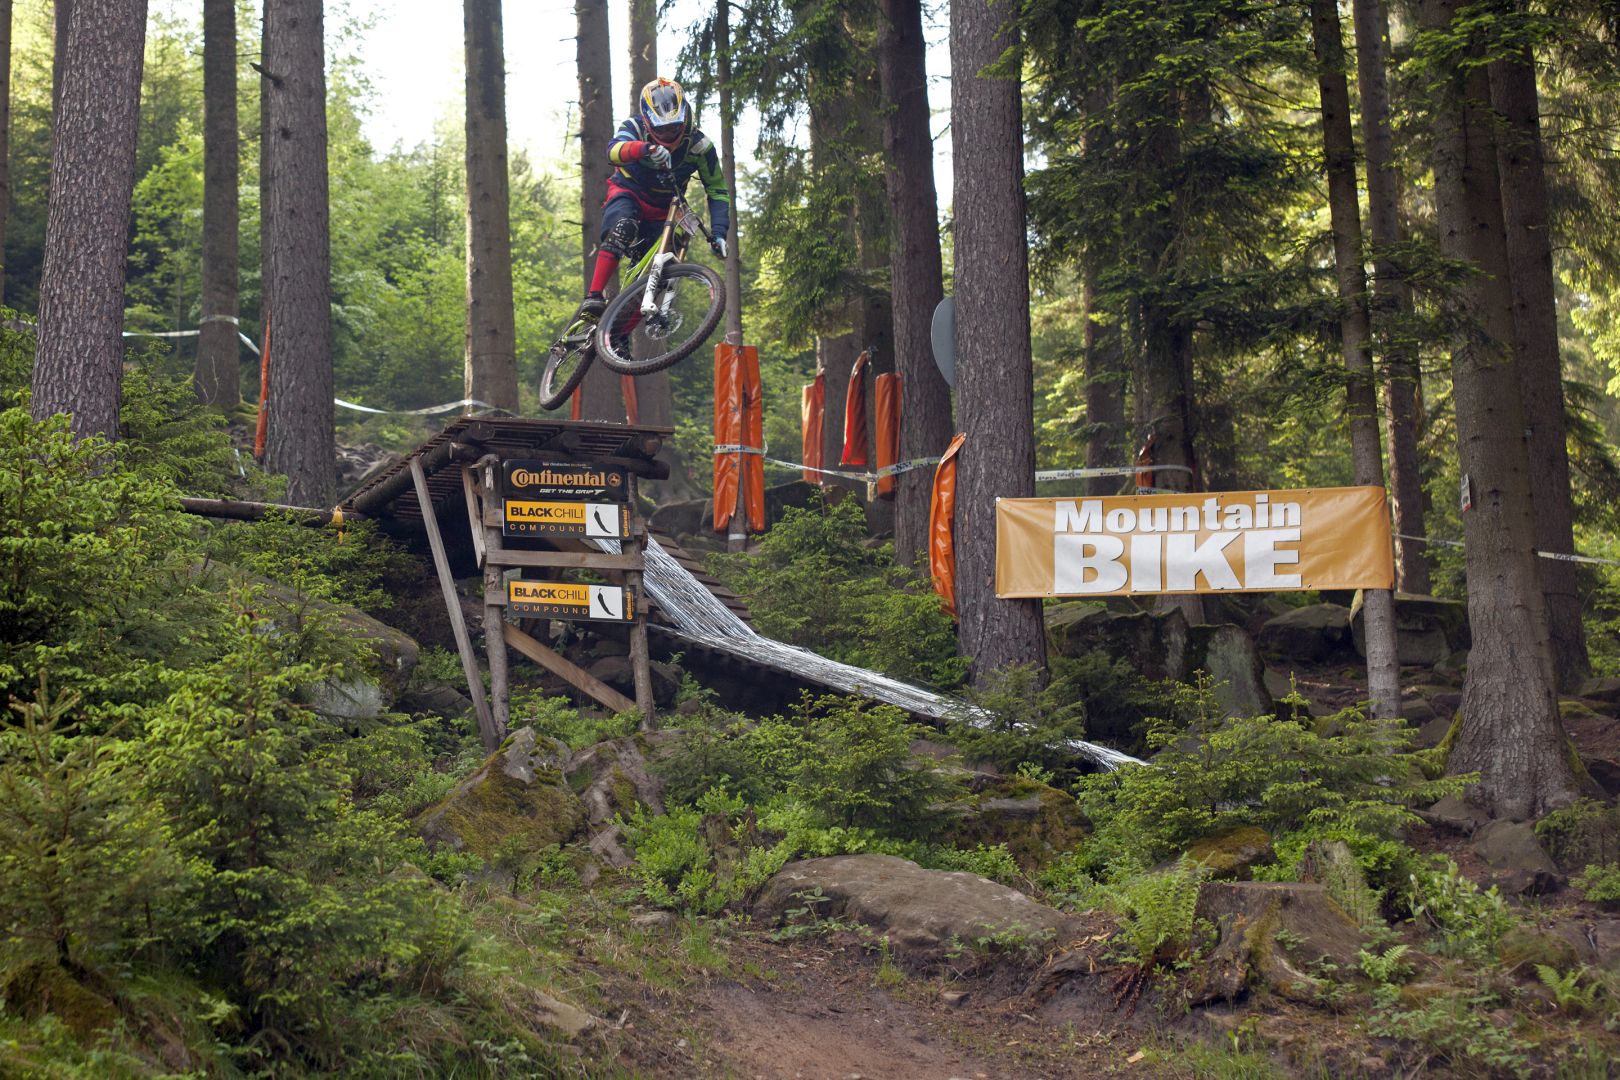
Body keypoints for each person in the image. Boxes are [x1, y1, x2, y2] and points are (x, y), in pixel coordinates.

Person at [579, 77, 730, 319]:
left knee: (661, 272)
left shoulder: (700, 146)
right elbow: (613, 151)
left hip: (666, 208)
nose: (668, 135)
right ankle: (594, 296)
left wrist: (720, 232)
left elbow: (717, 189)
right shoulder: (634, 126)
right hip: (628, 192)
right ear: (648, 122)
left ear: (685, 118)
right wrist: (644, 148)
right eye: (661, 129)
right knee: (623, 226)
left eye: (674, 127)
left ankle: (617, 336)